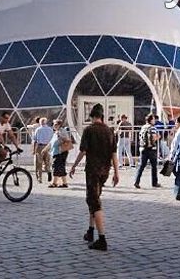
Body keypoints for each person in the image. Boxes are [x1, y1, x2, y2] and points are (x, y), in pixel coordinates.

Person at [70, 103, 119, 251]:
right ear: (102, 116)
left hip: (92, 170)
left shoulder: (89, 130)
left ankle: (102, 238)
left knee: (94, 202)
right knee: (94, 198)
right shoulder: (110, 131)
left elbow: (83, 151)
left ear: (92, 116)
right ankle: (90, 231)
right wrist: (117, 173)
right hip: (105, 171)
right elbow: (114, 154)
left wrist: (73, 166)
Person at [134, 113, 161, 189]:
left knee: (141, 166)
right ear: (151, 120)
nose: (154, 120)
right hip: (151, 149)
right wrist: (158, 137)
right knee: (154, 166)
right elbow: (154, 138)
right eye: (153, 119)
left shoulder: (143, 127)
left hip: (143, 149)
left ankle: (136, 181)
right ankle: (154, 182)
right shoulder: (153, 128)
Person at [49, 119, 71, 188]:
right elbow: (51, 142)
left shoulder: (62, 131)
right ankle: (64, 183)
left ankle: (54, 182)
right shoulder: (56, 132)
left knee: (56, 166)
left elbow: (67, 140)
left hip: (61, 152)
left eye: (55, 124)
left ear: (59, 125)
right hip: (56, 152)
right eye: (53, 124)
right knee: (59, 167)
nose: (54, 126)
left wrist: (60, 136)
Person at [33, 117, 54, 184]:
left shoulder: (38, 129)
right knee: (47, 162)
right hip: (48, 147)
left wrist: (34, 150)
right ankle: (48, 171)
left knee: (39, 163)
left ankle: (40, 178)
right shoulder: (50, 129)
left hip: (40, 147)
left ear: (40, 122)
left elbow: (35, 140)